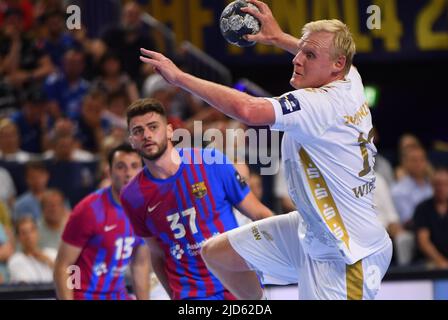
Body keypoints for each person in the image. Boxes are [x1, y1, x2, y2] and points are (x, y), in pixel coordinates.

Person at [139, 0, 392, 300]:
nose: (297, 59)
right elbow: (319, 52)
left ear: (337, 65)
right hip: (313, 230)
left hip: (347, 255)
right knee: (218, 254)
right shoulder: (352, 78)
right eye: (299, 50)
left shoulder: (319, 104)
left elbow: (248, 110)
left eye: (308, 55)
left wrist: (180, 79)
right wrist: (276, 37)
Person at [120, 98, 273, 300]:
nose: (146, 135)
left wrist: (284, 264)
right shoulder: (132, 196)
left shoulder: (211, 161)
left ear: (169, 131)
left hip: (238, 284)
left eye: (153, 127)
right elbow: (157, 254)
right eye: (138, 131)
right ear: (131, 140)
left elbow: (260, 214)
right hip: (191, 294)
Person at [53, 143, 150, 300]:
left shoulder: (143, 210)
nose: (128, 173)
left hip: (118, 295)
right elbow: (63, 265)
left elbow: (140, 264)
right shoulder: (88, 210)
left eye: (134, 166)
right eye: (121, 166)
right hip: (83, 296)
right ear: (109, 172)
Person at [413, 167, 448, 269]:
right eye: (438, 184)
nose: (441, 188)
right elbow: (423, 242)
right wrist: (441, 262)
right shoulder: (422, 209)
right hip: (429, 262)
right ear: (432, 185)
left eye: (445, 184)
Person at [8, 216, 56, 283]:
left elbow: (67, 277)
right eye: (24, 233)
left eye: (32, 231)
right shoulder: (15, 260)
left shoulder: (52, 253)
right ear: (18, 238)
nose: (29, 236)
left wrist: (48, 261)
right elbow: (25, 285)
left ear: (38, 233)